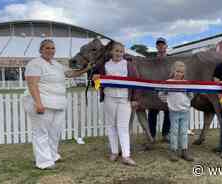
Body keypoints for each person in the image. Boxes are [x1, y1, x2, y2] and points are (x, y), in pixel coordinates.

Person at [23, 39, 91, 170]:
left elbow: (70, 74)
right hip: (42, 102)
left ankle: (53, 155)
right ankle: (44, 162)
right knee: (41, 132)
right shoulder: (35, 64)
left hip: (58, 104)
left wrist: (86, 69)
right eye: (47, 48)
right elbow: (32, 84)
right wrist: (38, 103)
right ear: (41, 50)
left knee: (55, 132)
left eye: (52, 48)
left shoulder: (56, 64)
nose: (50, 51)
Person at [92, 41, 138, 166]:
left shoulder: (129, 66)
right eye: (116, 51)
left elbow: (136, 83)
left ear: (124, 53)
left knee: (123, 127)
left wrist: (134, 98)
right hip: (109, 98)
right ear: (112, 52)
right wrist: (95, 80)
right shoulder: (105, 66)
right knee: (111, 126)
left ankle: (126, 155)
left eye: (121, 51)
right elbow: (97, 85)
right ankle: (114, 151)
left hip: (124, 100)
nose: (118, 53)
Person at [159, 61, 194, 162]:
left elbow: (191, 95)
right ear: (173, 71)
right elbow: (161, 94)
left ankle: (184, 150)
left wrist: (186, 101)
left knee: (184, 131)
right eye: (177, 71)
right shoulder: (168, 82)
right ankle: (173, 151)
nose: (179, 74)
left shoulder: (186, 83)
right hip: (173, 111)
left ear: (184, 73)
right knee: (174, 131)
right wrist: (168, 100)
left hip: (185, 111)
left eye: (181, 72)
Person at [148, 37, 171, 142]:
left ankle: (166, 134)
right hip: (154, 91)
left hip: (167, 90)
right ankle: (151, 136)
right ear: (156, 46)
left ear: (166, 46)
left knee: (168, 112)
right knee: (152, 113)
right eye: (159, 44)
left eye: (163, 44)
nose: (161, 46)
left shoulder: (171, 59)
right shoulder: (151, 60)